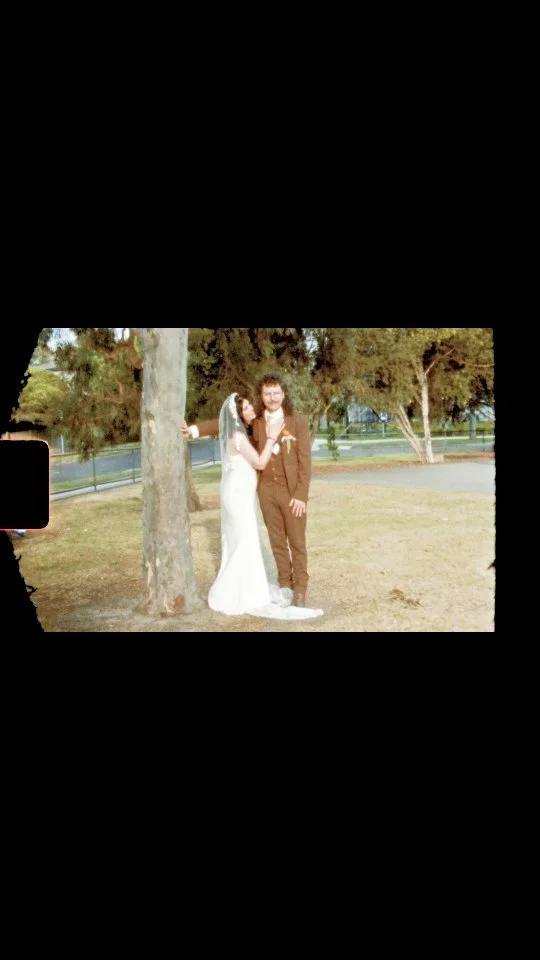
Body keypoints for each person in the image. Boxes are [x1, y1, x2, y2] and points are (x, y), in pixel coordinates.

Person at [185, 391, 323, 620]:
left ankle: (299, 590)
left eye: (276, 392)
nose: (271, 398)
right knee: (270, 542)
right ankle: (281, 586)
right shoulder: (252, 424)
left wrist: (301, 495)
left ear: (283, 394)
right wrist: (193, 430)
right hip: (256, 494)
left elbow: (304, 462)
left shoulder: (294, 422)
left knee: (296, 542)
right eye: (267, 393)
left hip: (285, 493)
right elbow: (221, 422)